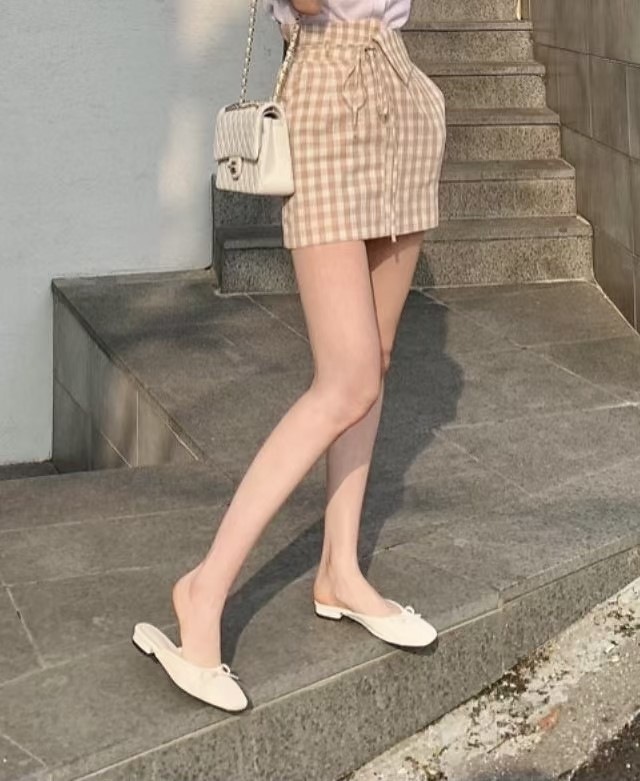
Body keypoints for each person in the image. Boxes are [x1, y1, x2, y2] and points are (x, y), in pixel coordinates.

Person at [132, 0, 447, 712]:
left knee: (377, 362)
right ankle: (202, 588)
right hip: (326, 94)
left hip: (401, 89)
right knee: (346, 379)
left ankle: (340, 571)